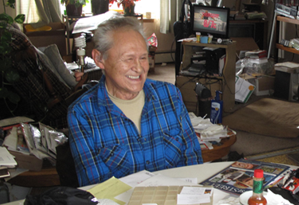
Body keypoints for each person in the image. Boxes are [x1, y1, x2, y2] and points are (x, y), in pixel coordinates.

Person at [68, 17, 203, 186]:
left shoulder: (170, 95)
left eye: (143, 57)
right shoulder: (82, 114)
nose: (139, 68)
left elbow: (194, 162)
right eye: (128, 59)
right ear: (99, 59)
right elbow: (99, 189)